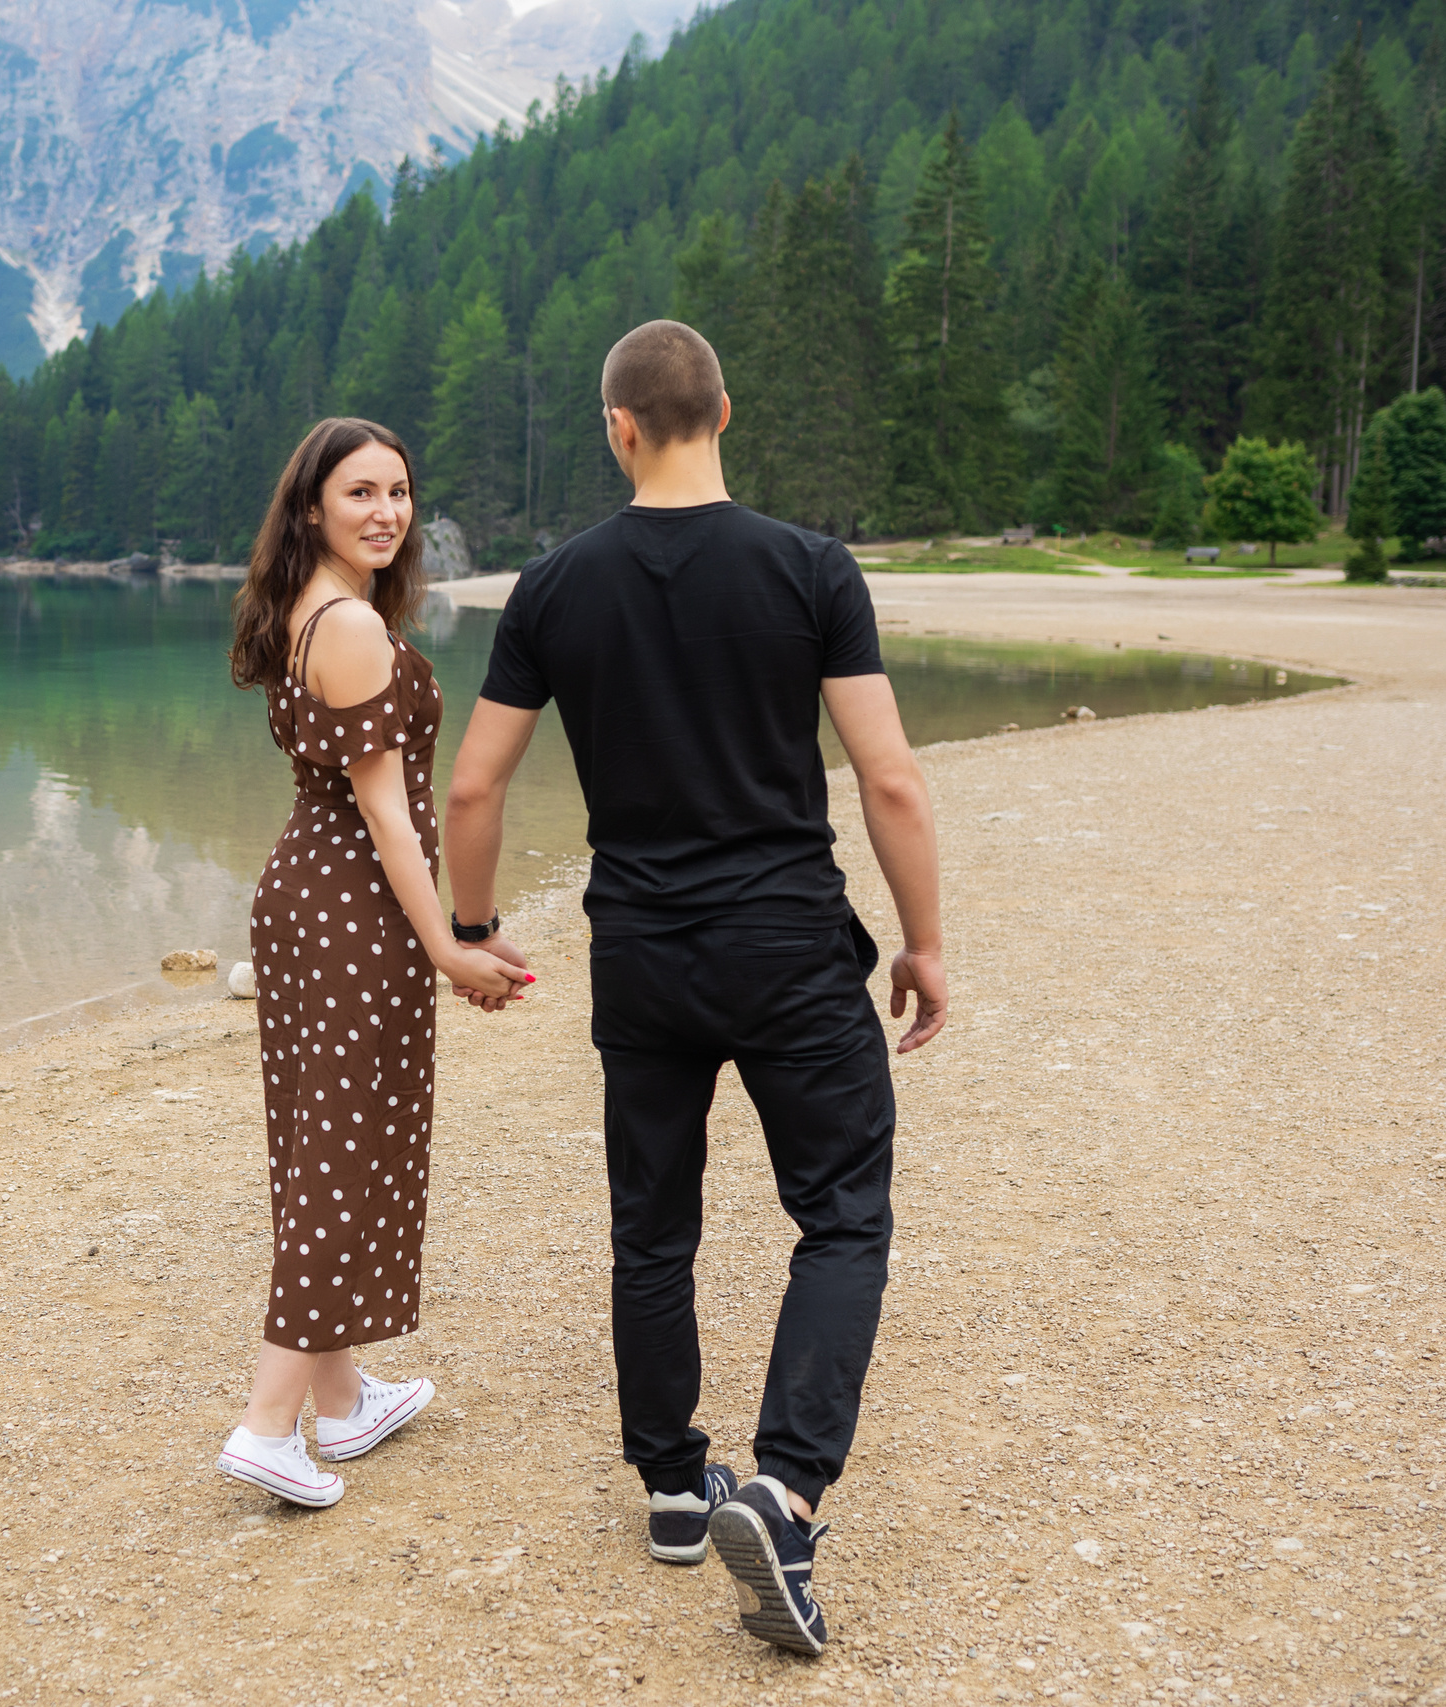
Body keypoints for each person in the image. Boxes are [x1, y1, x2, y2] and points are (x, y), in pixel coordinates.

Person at [443, 321, 946, 1654]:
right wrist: (924, 938)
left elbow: (476, 782)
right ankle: (782, 1490)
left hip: (645, 952)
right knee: (841, 1213)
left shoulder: (552, 589)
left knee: (651, 1225)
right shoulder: (810, 568)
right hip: (788, 943)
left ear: (619, 425)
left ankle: (673, 1485)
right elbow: (889, 775)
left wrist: (475, 926)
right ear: (725, 409)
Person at [215, 417, 534, 1508]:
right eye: (360, 494)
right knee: (340, 1159)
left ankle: (341, 1402)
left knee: (324, 1145)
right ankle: (267, 1424)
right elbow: (389, 821)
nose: (387, 512)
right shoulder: (346, 623)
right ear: (312, 508)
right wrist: (449, 942)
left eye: (398, 491)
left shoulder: (313, 607)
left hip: (311, 907)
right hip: (348, 914)